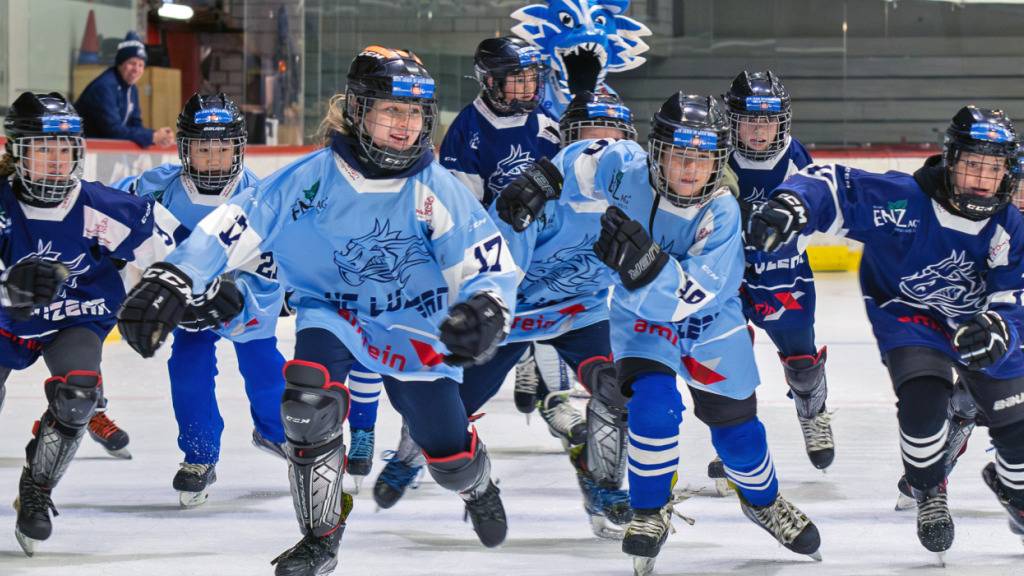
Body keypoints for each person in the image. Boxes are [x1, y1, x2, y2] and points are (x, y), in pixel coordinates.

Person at [115, 46, 518, 576]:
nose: (406, 125)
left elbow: (487, 261)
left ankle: (477, 482)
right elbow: (236, 225)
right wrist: (176, 275)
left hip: (414, 324)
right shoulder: (310, 178)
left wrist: (486, 307)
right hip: (335, 314)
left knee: (447, 455)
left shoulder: (436, 187)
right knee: (306, 401)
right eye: (391, 110)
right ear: (357, 109)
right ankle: (320, 539)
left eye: (416, 112)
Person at [516, 92, 821, 574]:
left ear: (719, 159)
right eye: (679, 153)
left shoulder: (722, 211)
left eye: (702, 157)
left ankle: (763, 499)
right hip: (643, 323)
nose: (689, 168)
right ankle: (649, 510)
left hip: (709, 327)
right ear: (656, 151)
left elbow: (694, 294)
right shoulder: (627, 166)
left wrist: (646, 266)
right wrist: (543, 178)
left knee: (739, 439)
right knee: (653, 411)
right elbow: (584, 160)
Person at [748, 105, 1024, 557]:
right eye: (972, 163)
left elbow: (1013, 296)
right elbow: (830, 184)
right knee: (922, 404)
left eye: (992, 168)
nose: (980, 178)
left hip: (978, 325)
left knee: (1017, 433)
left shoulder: (1009, 225)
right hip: (910, 313)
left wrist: (1002, 327)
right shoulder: (905, 199)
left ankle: (1014, 493)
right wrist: (793, 203)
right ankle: (929, 488)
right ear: (951, 160)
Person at [372, 35, 572, 511]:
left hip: (536, 278)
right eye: (515, 79)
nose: (527, 88)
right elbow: (461, 215)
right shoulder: (468, 130)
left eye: (530, 78)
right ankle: (412, 452)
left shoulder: (548, 125)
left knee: (493, 386)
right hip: (485, 279)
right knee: (448, 383)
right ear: (489, 81)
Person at [0, 92, 177, 556]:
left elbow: (182, 252)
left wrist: (201, 290)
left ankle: (37, 488)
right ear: (16, 152)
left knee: (78, 395)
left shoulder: (106, 208)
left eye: (64, 150)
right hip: (3, 323)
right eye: (42, 149)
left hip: (73, 318)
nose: (56, 162)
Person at [113, 92, 288, 507]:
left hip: (241, 303)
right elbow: (106, 208)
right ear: (184, 148)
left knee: (266, 368)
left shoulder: (260, 198)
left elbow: (276, 263)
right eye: (202, 148)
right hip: (187, 305)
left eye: (223, 148)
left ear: (239, 149)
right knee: (187, 369)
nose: (213, 158)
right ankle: (199, 455)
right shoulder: (153, 188)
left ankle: (277, 432)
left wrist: (241, 298)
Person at [702, 71, 830, 499]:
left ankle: (812, 409)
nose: (759, 130)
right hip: (729, 280)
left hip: (785, 278)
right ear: (733, 120)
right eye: (750, 120)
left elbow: (817, 211)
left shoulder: (796, 158)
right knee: (729, 362)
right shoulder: (716, 154)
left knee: (802, 364)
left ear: (783, 121)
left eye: (768, 120)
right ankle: (734, 447)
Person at [74, 31, 174, 148]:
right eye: (132, 63)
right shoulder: (104, 87)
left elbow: (135, 124)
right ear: (120, 63)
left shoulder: (132, 89)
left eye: (141, 65)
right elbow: (113, 131)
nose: (136, 69)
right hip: (83, 152)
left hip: (104, 153)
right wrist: (152, 136)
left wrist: (158, 135)